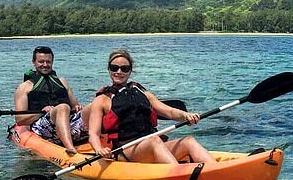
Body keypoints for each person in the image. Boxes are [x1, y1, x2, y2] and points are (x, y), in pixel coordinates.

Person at [88, 49, 216, 164]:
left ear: (130, 71)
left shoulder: (142, 92)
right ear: (109, 69)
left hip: (153, 145)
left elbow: (169, 112)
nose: (119, 72)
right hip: (126, 151)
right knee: (154, 141)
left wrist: (185, 115)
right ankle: (179, 175)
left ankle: (216, 172)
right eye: (114, 68)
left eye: (124, 69)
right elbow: (93, 133)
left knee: (189, 141)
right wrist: (99, 150)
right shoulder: (102, 100)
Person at [14, 45, 88, 154]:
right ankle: (70, 148)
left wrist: (78, 107)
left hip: (67, 123)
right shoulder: (25, 87)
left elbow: (75, 106)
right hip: (41, 126)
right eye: (41, 62)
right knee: (63, 107)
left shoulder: (62, 82)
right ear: (33, 62)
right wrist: (42, 113)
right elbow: (19, 120)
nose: (45, 65)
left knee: (93, 106)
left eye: (48, 62)